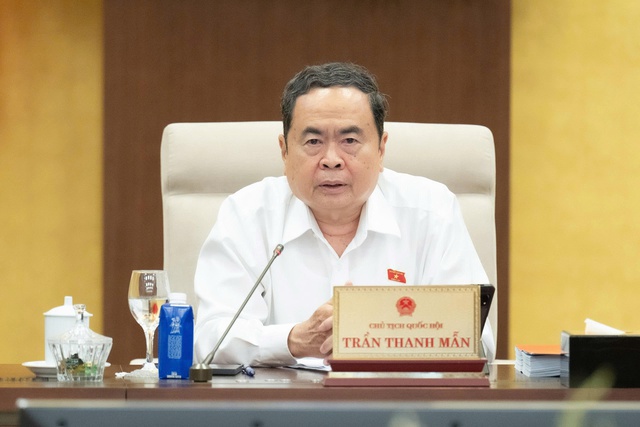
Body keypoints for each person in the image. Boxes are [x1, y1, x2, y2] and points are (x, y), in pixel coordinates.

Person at [193, 62, 493, 367]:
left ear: (381, 149)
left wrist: (382, 336)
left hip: (399, 396)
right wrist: (294, 340)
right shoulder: (246, 215)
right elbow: (211, 340)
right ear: (284, 151)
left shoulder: (432, 212)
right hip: (283, 396)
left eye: (349, 141)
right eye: (313, 142)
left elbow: (477, 343)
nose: (332, 160)